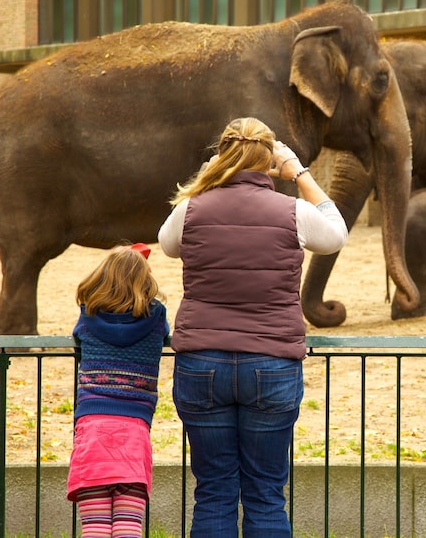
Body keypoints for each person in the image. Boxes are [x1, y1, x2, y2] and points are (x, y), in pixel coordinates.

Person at [158, 117, 348, 537]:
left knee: (214, 490)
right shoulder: (292, 211)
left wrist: (210, 174)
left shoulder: (191, 209)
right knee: (265, 493)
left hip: (202, 364)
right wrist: (298, 172)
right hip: (272, 365)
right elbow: (336, 235)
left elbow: (167, 244)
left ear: (221, 155)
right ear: (271, 160)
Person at [66, 243, 171, 538]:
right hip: (135, 430)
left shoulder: (88, 316)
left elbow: (78, 333)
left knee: (95, 526)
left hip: (92, 427)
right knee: (129, 525)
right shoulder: (156, 317)